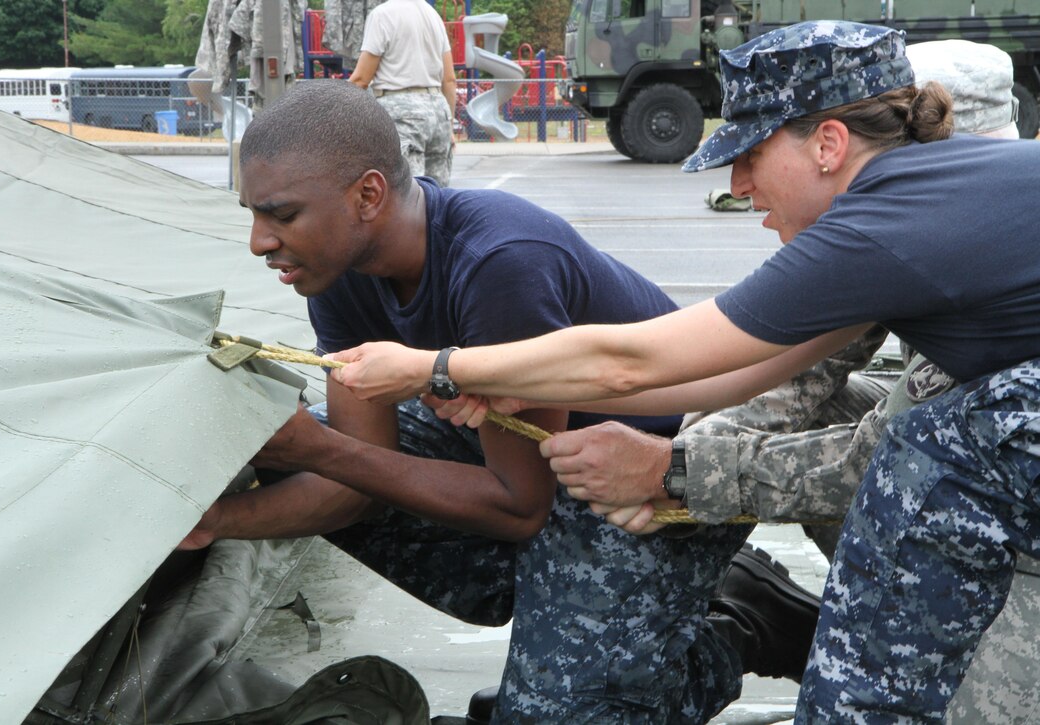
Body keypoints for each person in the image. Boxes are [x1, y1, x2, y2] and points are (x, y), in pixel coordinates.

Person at [329, 21, 1040, 721]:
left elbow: (632, 361)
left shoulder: (882, 224)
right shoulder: (921, 200)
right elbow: (737, 374)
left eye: (752, 154)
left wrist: (437, 366)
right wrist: (528, 384)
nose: (737, 184)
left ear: (828, 145)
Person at [181, 79, 817, 723]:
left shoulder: (498, 262)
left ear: (367, 195)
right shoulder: (340, 275)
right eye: (254, 215)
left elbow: (519, 508)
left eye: (281, 215)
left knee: (561, 716)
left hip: (649, 481)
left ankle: (738, 624)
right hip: (536, 466)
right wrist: (218, 521)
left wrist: (321, 449)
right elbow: (355, 482)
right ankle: (580, 620)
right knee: (296, 452)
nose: (260, 241)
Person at [347, 0, 456, 187]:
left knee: (408, 194)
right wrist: (450, 125)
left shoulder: (382, 14)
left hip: (403, 112)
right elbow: (449, 79)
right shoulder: (432, 15)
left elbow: (361, 79)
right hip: (439, 111)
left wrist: (332, 110)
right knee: (438, 196)